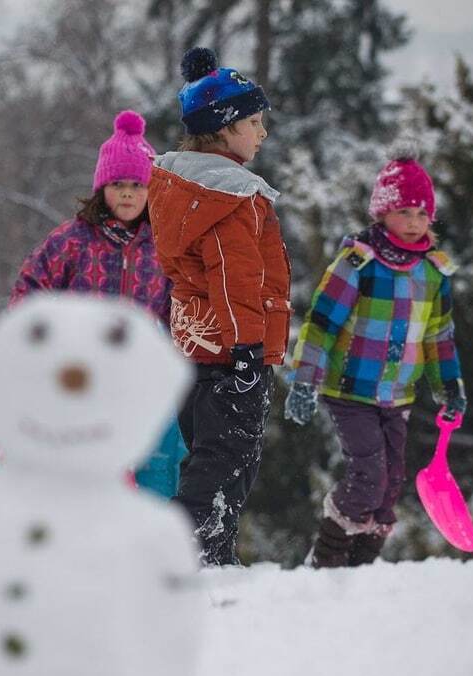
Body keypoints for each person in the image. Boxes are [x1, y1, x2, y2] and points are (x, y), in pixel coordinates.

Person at [285, 142, 465, 568]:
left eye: (422, 214)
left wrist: (449, 389)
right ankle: (325, 562)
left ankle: (362, 571)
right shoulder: (358, 263)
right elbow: (322, 323)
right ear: (382, 213)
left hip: (397, 397)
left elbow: (439, 337)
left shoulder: (433, 272)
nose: (414, 222)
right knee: (368, 479)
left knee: (389, 489)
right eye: (405, 212)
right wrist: (304, 380)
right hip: (350, 391)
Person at [147, 47, 291, 565]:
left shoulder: (185, 189)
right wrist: (248, 350)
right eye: (254, 122)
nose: (262, 133)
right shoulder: (227, 198)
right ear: (223, 129)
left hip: (196, 344)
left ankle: (213, 552)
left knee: (218, 452)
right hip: (233, 350)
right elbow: (236, 279)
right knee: (226, 453)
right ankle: (182, 541)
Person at [9, 110, 186, 498]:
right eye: (118, 183)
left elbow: (177, 306)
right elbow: (31, 286)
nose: (127, 193)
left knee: (157, 455)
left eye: (138, 185)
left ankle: (149, 533)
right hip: (83, 372)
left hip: (139, 373)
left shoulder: (163, 247)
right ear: (101, 187)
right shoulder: (73, 240)